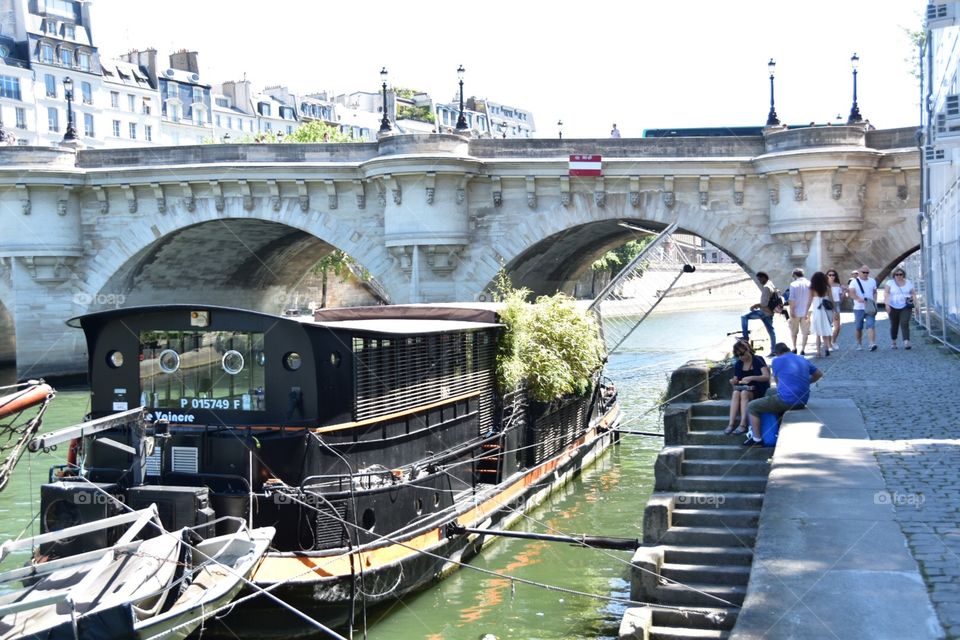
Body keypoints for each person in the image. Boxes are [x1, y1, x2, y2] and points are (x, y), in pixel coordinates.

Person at [743, 342, 823, 445]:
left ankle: (756, 439)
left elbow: (778, 383)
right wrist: (806, 382)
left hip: (788, 400)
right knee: (769, 393)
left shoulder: (776, 361)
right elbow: (819, 374)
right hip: (803, 400)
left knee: (752, 406)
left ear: (777, 353)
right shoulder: (802, 358)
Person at [725, 341, 770, 435]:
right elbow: (736, 379)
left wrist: (752, 377)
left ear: (748, 350)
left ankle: (743, 424)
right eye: (737, 355)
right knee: (736, 393)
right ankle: (731, 424)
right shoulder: (739, 364)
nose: (741, 357)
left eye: (742, 354)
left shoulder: (757, 360)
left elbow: (766, 376)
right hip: (746, 389)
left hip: (759, 389)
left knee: (744, 393)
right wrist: (733, 381)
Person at [740, 272, 778, 354]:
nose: (759, 281)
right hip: (770, 312)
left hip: (764, 312)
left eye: (759, 279)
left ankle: (745, 337)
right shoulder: (771, 284)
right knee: (771, 331)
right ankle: (774, 350)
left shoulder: (766, 287)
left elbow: (764, 304)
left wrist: (755, 306)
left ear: (764, 277)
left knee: (744, 317)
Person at [884, 267, 916, 349]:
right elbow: (886, 293)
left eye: (900, 274)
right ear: (894, 275)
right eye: (897, 274)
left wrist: (917, 305)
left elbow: (913, 294)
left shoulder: (908, 282)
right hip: (893, 306)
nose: (898, 276)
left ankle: (906, 342)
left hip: (905, 306)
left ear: (903, 275)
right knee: (894, 324)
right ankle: (894, 341)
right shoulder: (890, 282)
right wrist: (887, 305)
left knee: (904, 323)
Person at [849, 265, 878, 351]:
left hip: (869, 306)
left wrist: (875, 301)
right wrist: (859, 299)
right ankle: (859, 344)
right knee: (859, 327)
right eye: (863, 272)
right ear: (859, 272)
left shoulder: (872, 281)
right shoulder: (853, 282)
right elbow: (852, 293)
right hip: (858, 308)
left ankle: (872, 343)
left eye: (867, 272)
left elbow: (874, 292)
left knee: (871, 325)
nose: (865, 274)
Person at [807, 271, 834, 357]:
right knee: (825, 331)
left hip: (817, 312)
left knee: (818, 333)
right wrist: (834, 311)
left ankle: (818, 352)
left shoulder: (812, 289)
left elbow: (809, 301)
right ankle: (826, 349)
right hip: (826, 311)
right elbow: (832, 300)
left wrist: (805, 312)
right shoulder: (827, 288)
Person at [788, 269, 811, 355]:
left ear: (794, 275)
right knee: (805, 332)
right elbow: (810, 298)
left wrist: (792, 310)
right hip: (806, 310)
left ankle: (794, 347)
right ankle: (803, 349)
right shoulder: (809, 283)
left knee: (794, 331)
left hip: (796, 310)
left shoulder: (793, 284)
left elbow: (792, 298)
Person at [826, 269, 845, 348]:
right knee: (828, 326)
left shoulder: (838, 285)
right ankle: (828, 344)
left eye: (833, 275)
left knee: (837, 327)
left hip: (836, 305)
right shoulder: (825, 285)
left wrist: (843, 293)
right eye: (829, 275)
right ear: (827, 275)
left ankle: (833, 341)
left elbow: (841, 299)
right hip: (827, 305)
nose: (831, 276)